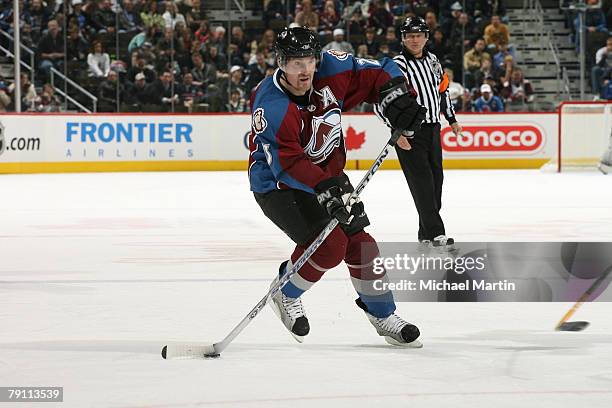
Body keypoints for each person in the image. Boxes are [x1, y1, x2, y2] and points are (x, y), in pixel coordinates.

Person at [248, 26, 425, 347]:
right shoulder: (271, 105)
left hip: (328, 174)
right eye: (295, 63)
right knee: (330, 247)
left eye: (309, 61)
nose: (304, 71)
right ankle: (284, 293)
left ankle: (382, 314)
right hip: (279, 185)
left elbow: (380, 71)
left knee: (362, 246)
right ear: (280, 63)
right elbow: (287, 164)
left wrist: (395, 95)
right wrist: (325, 188)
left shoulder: (332, 69)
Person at [377, 16, 461, 250]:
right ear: (403, 39)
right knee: (422, 183)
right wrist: (396, 132)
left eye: (419, 35)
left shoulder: (434, 61)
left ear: (426, 37)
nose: (415, 40)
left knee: (436, 183)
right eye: (410, 36)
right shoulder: (396, 65)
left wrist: (451, 118)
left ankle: (425, 233)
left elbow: (443, 91)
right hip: (410, 133)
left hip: (434, 129)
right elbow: (380, 102)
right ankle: (436, 234)